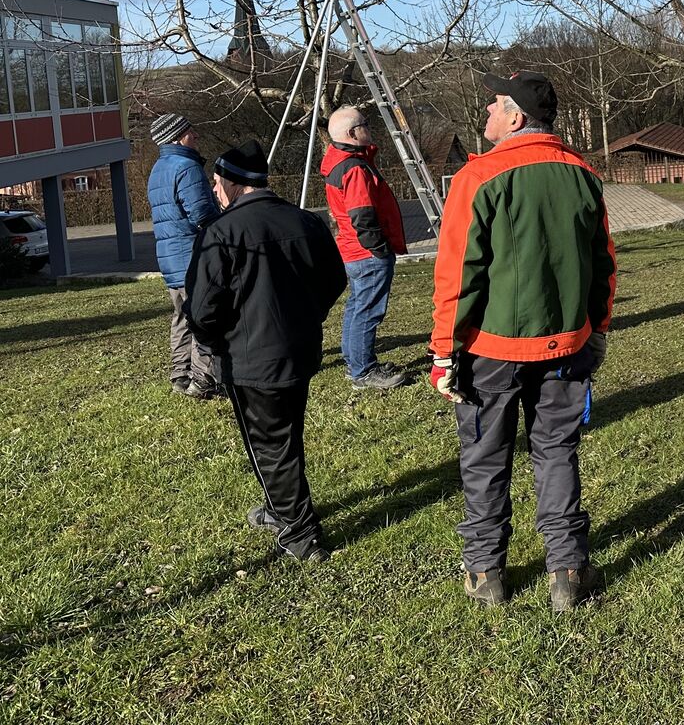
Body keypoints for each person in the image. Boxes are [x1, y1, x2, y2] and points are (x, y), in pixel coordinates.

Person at [430, 72, 616, 610]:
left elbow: (457, 274)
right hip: (566, 347)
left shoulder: (478, 176)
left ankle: (486, 573)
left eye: (493, 104)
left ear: (516, 117)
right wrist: (598, 330)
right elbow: (605, 266)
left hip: (491, 351)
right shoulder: (584, 174)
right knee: (557, 453)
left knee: (486, 458)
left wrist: (443, 351)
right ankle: (568, 573)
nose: (485, 112)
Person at [184, 141, 348, 562]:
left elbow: (202, 308)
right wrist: (309, 317)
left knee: (271, 445)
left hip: (251, 360)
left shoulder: (220, 233)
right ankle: (283, 508)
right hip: (299, 350)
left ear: (234, 184)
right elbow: (334, 280)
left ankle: (300, 534)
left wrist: (213, 342)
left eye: (217, 184)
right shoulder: (305, 221)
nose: (215, 192)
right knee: (285, 437)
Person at [320, 106, 409, 390]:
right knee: (368, 310)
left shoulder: (338, 161)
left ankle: (356, 361)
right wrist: (380, 248)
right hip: (366, 252)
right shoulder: (355, 168)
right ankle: (362, 370)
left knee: (358, 306)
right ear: (351, 133)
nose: (369, 129)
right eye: (365, 125)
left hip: (352, 249)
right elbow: (363, 214)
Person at [147, 112, 221, 399]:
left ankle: (181, 375)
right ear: (177, 137)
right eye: (191, 132)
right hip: (192, 255)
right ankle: (204, 380)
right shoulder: (186, 167)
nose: (196, 136)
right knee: (203, 316)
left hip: (170, 258)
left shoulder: (158, 168)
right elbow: (201, 213)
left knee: (181, 316)